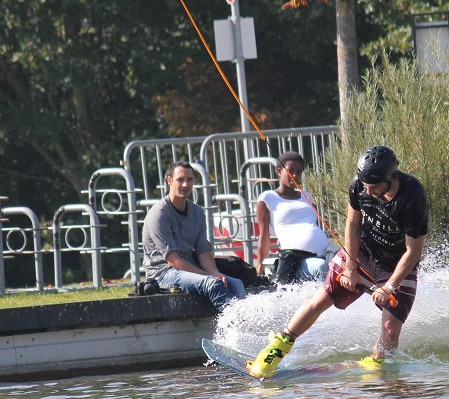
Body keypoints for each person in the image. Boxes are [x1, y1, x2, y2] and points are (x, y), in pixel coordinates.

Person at [248, 145, 428, 377]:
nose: (368, 191)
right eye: (365, 185)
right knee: (321, 299)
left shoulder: (413, 197)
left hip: (397, 262)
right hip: (362, 251)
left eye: (374, 187)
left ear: (390, 178)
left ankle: (379, 368)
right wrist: (350, 266)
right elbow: (353, 225)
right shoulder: (360, 186)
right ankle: (277, 347)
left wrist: (389, 286)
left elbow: (413, 251)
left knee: (390, 328)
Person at [142, 161, 246, 310]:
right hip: (163, 273)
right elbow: (173, 260)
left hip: (190, 268)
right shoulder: (159, 214)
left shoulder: (197, 212)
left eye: (189, 180)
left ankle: (243, 320)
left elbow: (203, 251)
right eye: (180, 180)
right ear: (169, 181)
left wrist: (214, 272)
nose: (185, 184)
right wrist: (208, 276)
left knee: (236, 283)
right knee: (212, 283)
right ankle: (233, 325)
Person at [254, 151, 331, 284]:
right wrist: (260, 264)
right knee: (320, 267)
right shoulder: (268, 198)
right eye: (291, 171)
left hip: (325, 253)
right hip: (298, 260)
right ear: (279, 171)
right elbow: (264, 236)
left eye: (299, 172)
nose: (295, 175)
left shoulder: (306, 195)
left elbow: (313, 226)